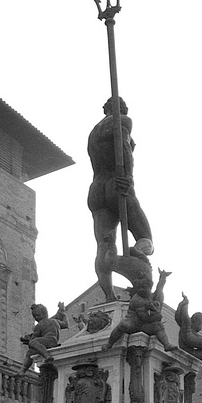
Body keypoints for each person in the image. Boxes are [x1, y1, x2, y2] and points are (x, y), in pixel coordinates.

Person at [87, 96, 155, 302]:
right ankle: (139, 247)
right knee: (145, 236)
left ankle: (109, 296)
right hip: (116, 182)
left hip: (96, 188)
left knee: (103, 245)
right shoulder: (122, 120)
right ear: (122, 110)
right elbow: (124, 147)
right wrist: (129, 178)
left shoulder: (93, 133)